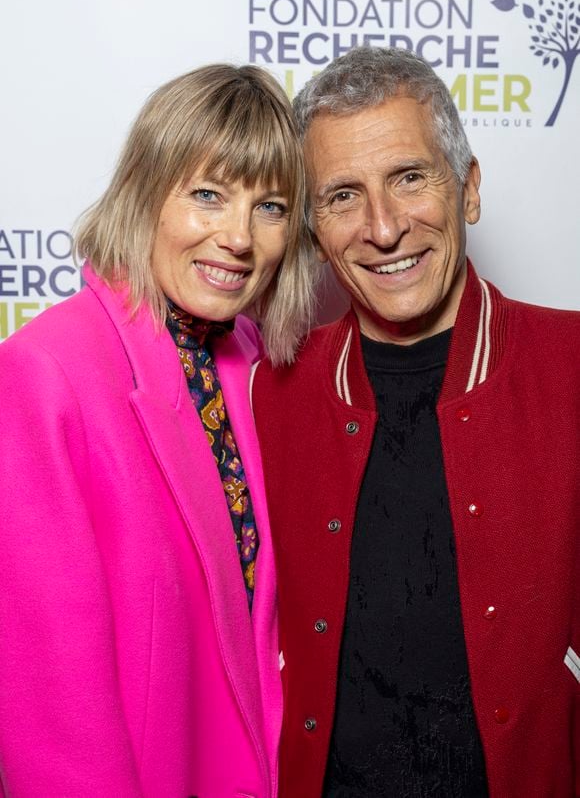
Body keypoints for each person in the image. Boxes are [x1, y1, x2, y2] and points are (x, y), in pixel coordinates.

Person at [252, 47, 580, 798]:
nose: (384, 227)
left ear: (467, 188)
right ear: (313, 227)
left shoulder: (571, 366)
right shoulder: (271, 392)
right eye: (342, 195)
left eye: (409, 177)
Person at [0, 63, 315, 797]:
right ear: (146, 191)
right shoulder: (44, 373)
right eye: (208, 194)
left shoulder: (253, 361)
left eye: (269, 206)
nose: (238, 237)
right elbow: (52, 707)